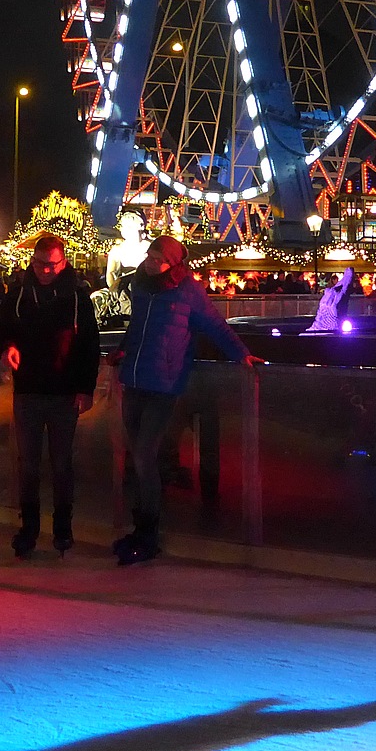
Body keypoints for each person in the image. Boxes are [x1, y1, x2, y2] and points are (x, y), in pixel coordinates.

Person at [112, 234, 259, 566]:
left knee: (146, 454)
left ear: (174, 264)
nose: (151, 262)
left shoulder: (188, 291)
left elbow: (216, 326)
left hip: (164, 384)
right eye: (150, 256)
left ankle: (149, 529)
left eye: (158, 259)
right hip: (134, 379)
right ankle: (139, 528)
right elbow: (137, 326)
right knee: (136, 457)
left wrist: (242, 355)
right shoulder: (140, 285)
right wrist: (123, 349)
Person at [0, 235, 101, 558]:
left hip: (64, 395)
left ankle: (63, 528)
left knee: (62, 464)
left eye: (51, 264)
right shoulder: (20, 293)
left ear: (63, 262)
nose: (45, 270)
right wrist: (7, 347)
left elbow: (89, 346)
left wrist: (86, 388)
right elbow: (2, 328)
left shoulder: (78, 297)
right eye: (39, 263)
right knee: (28, 465)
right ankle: (29, 529)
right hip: (28, 392)